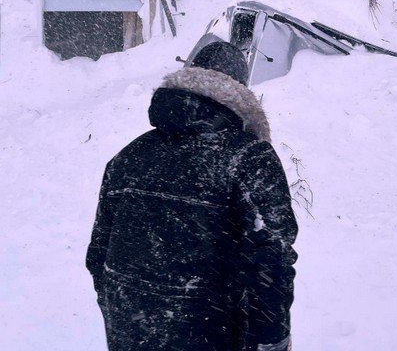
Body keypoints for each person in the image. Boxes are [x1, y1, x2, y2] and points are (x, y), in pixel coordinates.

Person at [86, 41, 297, 351]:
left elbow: (98, 256)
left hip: (131, 331)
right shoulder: (249, 157)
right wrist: (272, 342)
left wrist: (127, 312)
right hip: (213, 335)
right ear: (240, 89)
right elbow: (271, 263)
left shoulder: (129, 157)